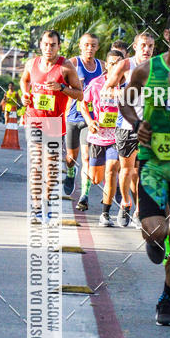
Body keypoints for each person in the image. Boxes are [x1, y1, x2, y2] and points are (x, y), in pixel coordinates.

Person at [120, 6, 170, 325]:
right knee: (157, 230)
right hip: (152, 164)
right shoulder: (147, 69)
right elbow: (126, 101)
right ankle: (154, 240)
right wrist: (136, 122)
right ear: (167, 34)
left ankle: (166, 300)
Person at [20, 30, 82, 221]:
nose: (49, 48)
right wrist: (25, 94)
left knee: (51, 167)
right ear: (40, 45)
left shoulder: (66, 66)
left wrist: (62, 88)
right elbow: (25, 80)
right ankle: (36, 207)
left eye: (53, 45)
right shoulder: (32, 63)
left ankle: (46, 202)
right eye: (46, 44)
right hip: (34, 119)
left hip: (55, 123)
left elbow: (80, 94)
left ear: (58, 46)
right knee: (37, 163)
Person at [104, 31, 155, 227]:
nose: (147, 49)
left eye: (150, 46)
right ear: (135, 47)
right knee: (126, 170)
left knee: (143, 171)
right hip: (126, 124)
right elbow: (108, 87)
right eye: (143, 45)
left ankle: (140, 211)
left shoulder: (156, 67)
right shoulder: (126, 65)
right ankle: (125, 203)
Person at [80, 49, 125, 226]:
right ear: (106, 65)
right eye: (112, 63)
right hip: (98, 136)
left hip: (118, 136)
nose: (115, 66)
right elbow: (83, 103)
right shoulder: (96, 84)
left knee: (112, 170)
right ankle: (107, 186)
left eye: (119, 63)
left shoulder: (128, 85)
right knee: (96, 177)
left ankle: (105, 213)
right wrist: (90, 121)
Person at [63, 33, 104, 209]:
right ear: (80, 46)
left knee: (86, 157)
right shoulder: (73, 63)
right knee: (71, 157)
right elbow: (60, 86)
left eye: (93, 45)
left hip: (91, 118)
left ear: (97, 47)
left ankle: (84, 196)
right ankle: (71, 171)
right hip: (73, 116)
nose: (90, 48)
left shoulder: (102, 66)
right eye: (86, 45)